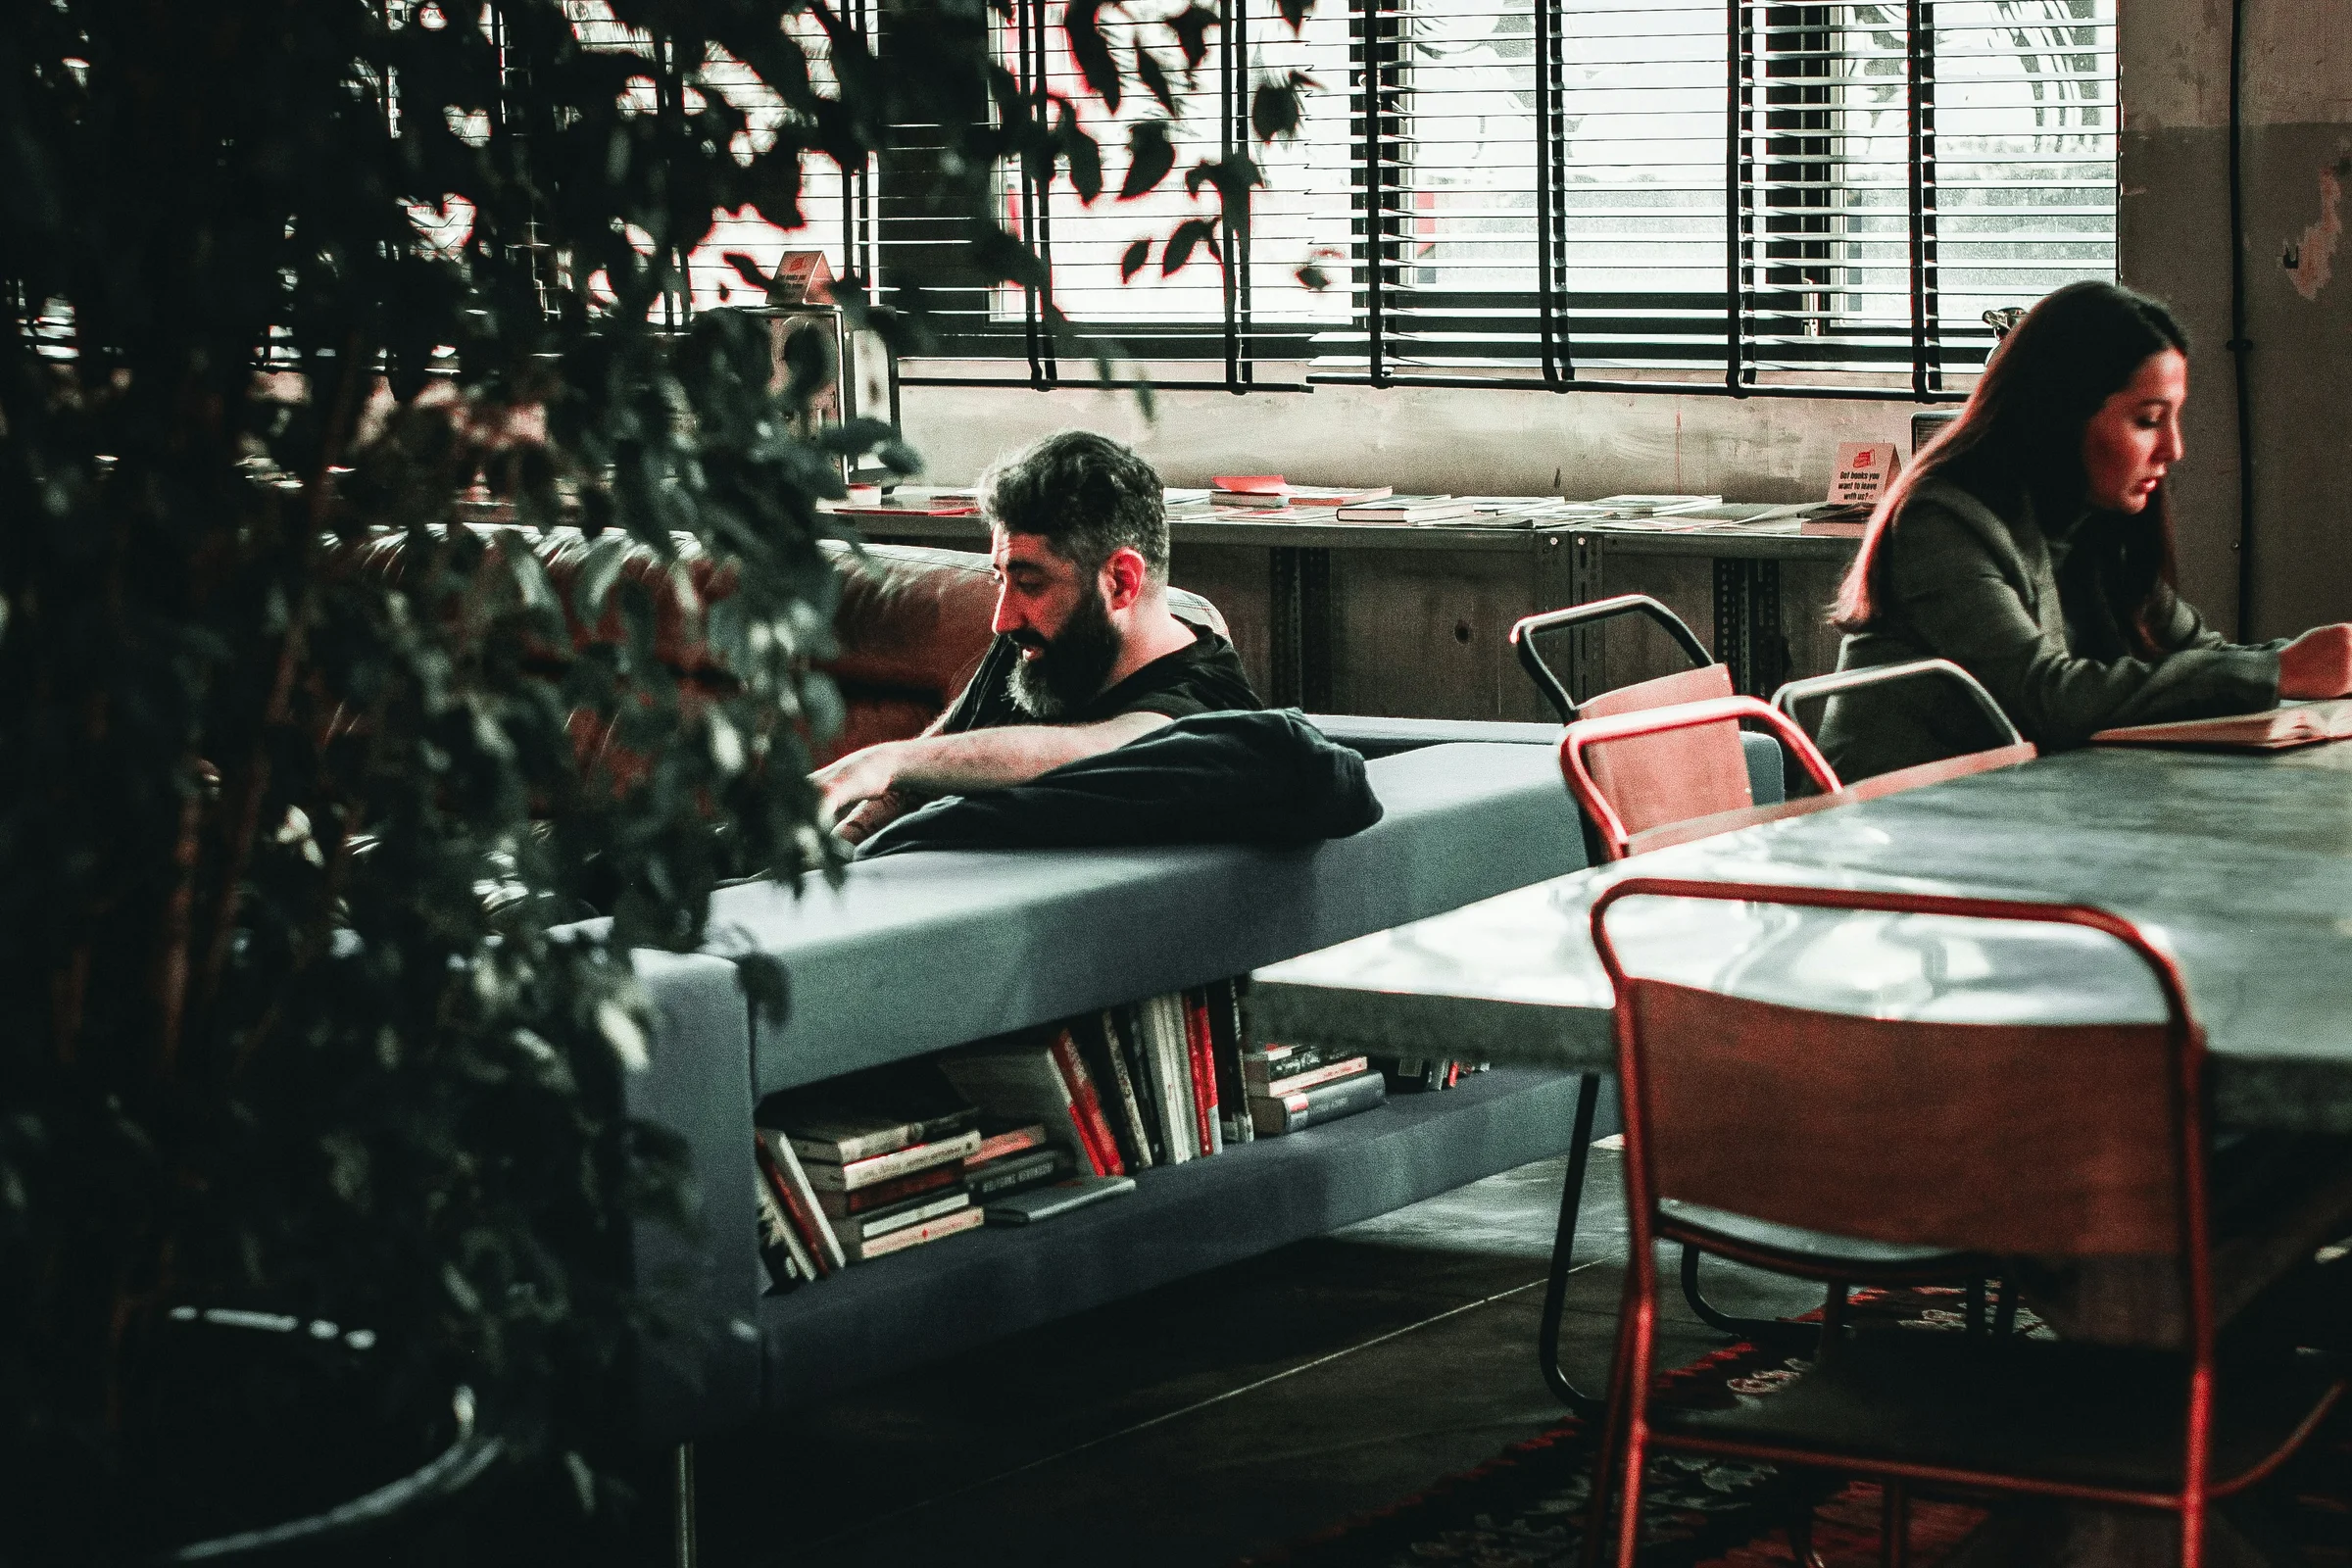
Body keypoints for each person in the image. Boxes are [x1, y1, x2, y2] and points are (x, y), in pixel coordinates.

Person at [1819, 279, 2352, 779]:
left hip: (2012, 819)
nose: (2174, 449)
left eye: (2174, 418)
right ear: (2062, 412)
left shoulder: (2096, 522)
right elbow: (2043, 697)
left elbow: (2196, 656)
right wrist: (2277, 671)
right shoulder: (1941, 519)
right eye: (2147, 420)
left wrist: (2316, 663)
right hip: (1887, 828)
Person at [814, 429, 1260, 845]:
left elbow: (1108, 748)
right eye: (1000, 580)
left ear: (1121, 582)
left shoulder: (1205, 701)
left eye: (1029, 583)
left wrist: (882, 761)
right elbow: (911, 786)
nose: (1001, 620)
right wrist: (834, 853)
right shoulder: (1035, 649)